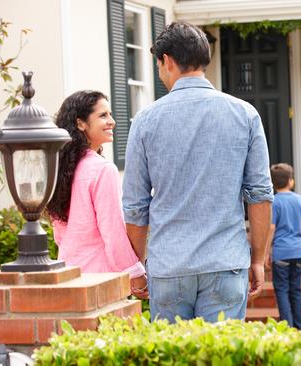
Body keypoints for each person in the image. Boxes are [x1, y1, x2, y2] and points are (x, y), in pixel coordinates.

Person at [122, 21, 273, 323]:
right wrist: (257, 259)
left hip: (169, 266)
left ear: (167, 61)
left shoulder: (145, 120)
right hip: (225, 261)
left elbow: (136, 207)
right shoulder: (245, 114)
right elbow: (260, 196)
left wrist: (137, 267)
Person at [47, 91, 148, 298]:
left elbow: (59, 234)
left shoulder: (58, 169)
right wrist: (136, 274)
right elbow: (113, 232)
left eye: (110, 114)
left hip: (69, 276)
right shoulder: (102, 170)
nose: (112, 121)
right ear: (81, 123)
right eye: (103, 115)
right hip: (102, 280)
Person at [266, 163, 301, 329]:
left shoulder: (274, 202)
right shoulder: (300, 200)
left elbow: (271, 228)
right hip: (298, 251)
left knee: (282, 290)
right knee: (296, 290)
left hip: (281, 253)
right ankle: (300, 326)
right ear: (291, 181)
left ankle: (287, 326)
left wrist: (265, 253)